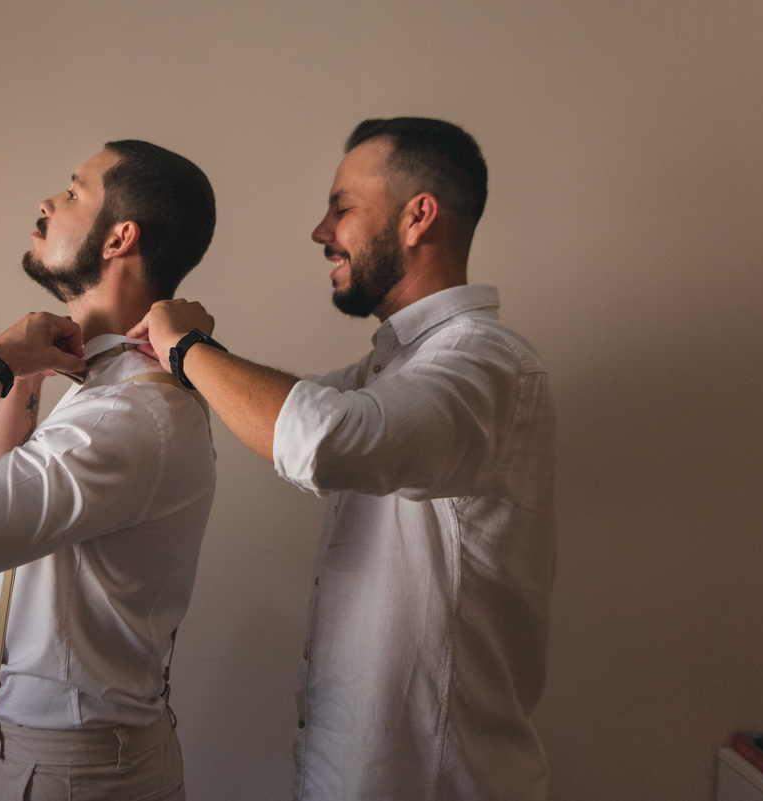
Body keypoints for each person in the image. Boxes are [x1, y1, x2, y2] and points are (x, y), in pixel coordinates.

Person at [128, 118, 556, 800]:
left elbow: (325, 438)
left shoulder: (484, 360)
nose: (321, 231)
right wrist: (168, 359)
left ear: (418, 216)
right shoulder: (397, 367)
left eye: (342, 207)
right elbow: (298, 406)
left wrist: (187, 348)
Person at [0, 139, 217, 801]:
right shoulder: (109, 390)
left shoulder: (127, 414)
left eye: (72, 192)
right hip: (62, 759)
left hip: (75, 771)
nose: (47, 202)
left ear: (120, 237)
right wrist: (24, 374)